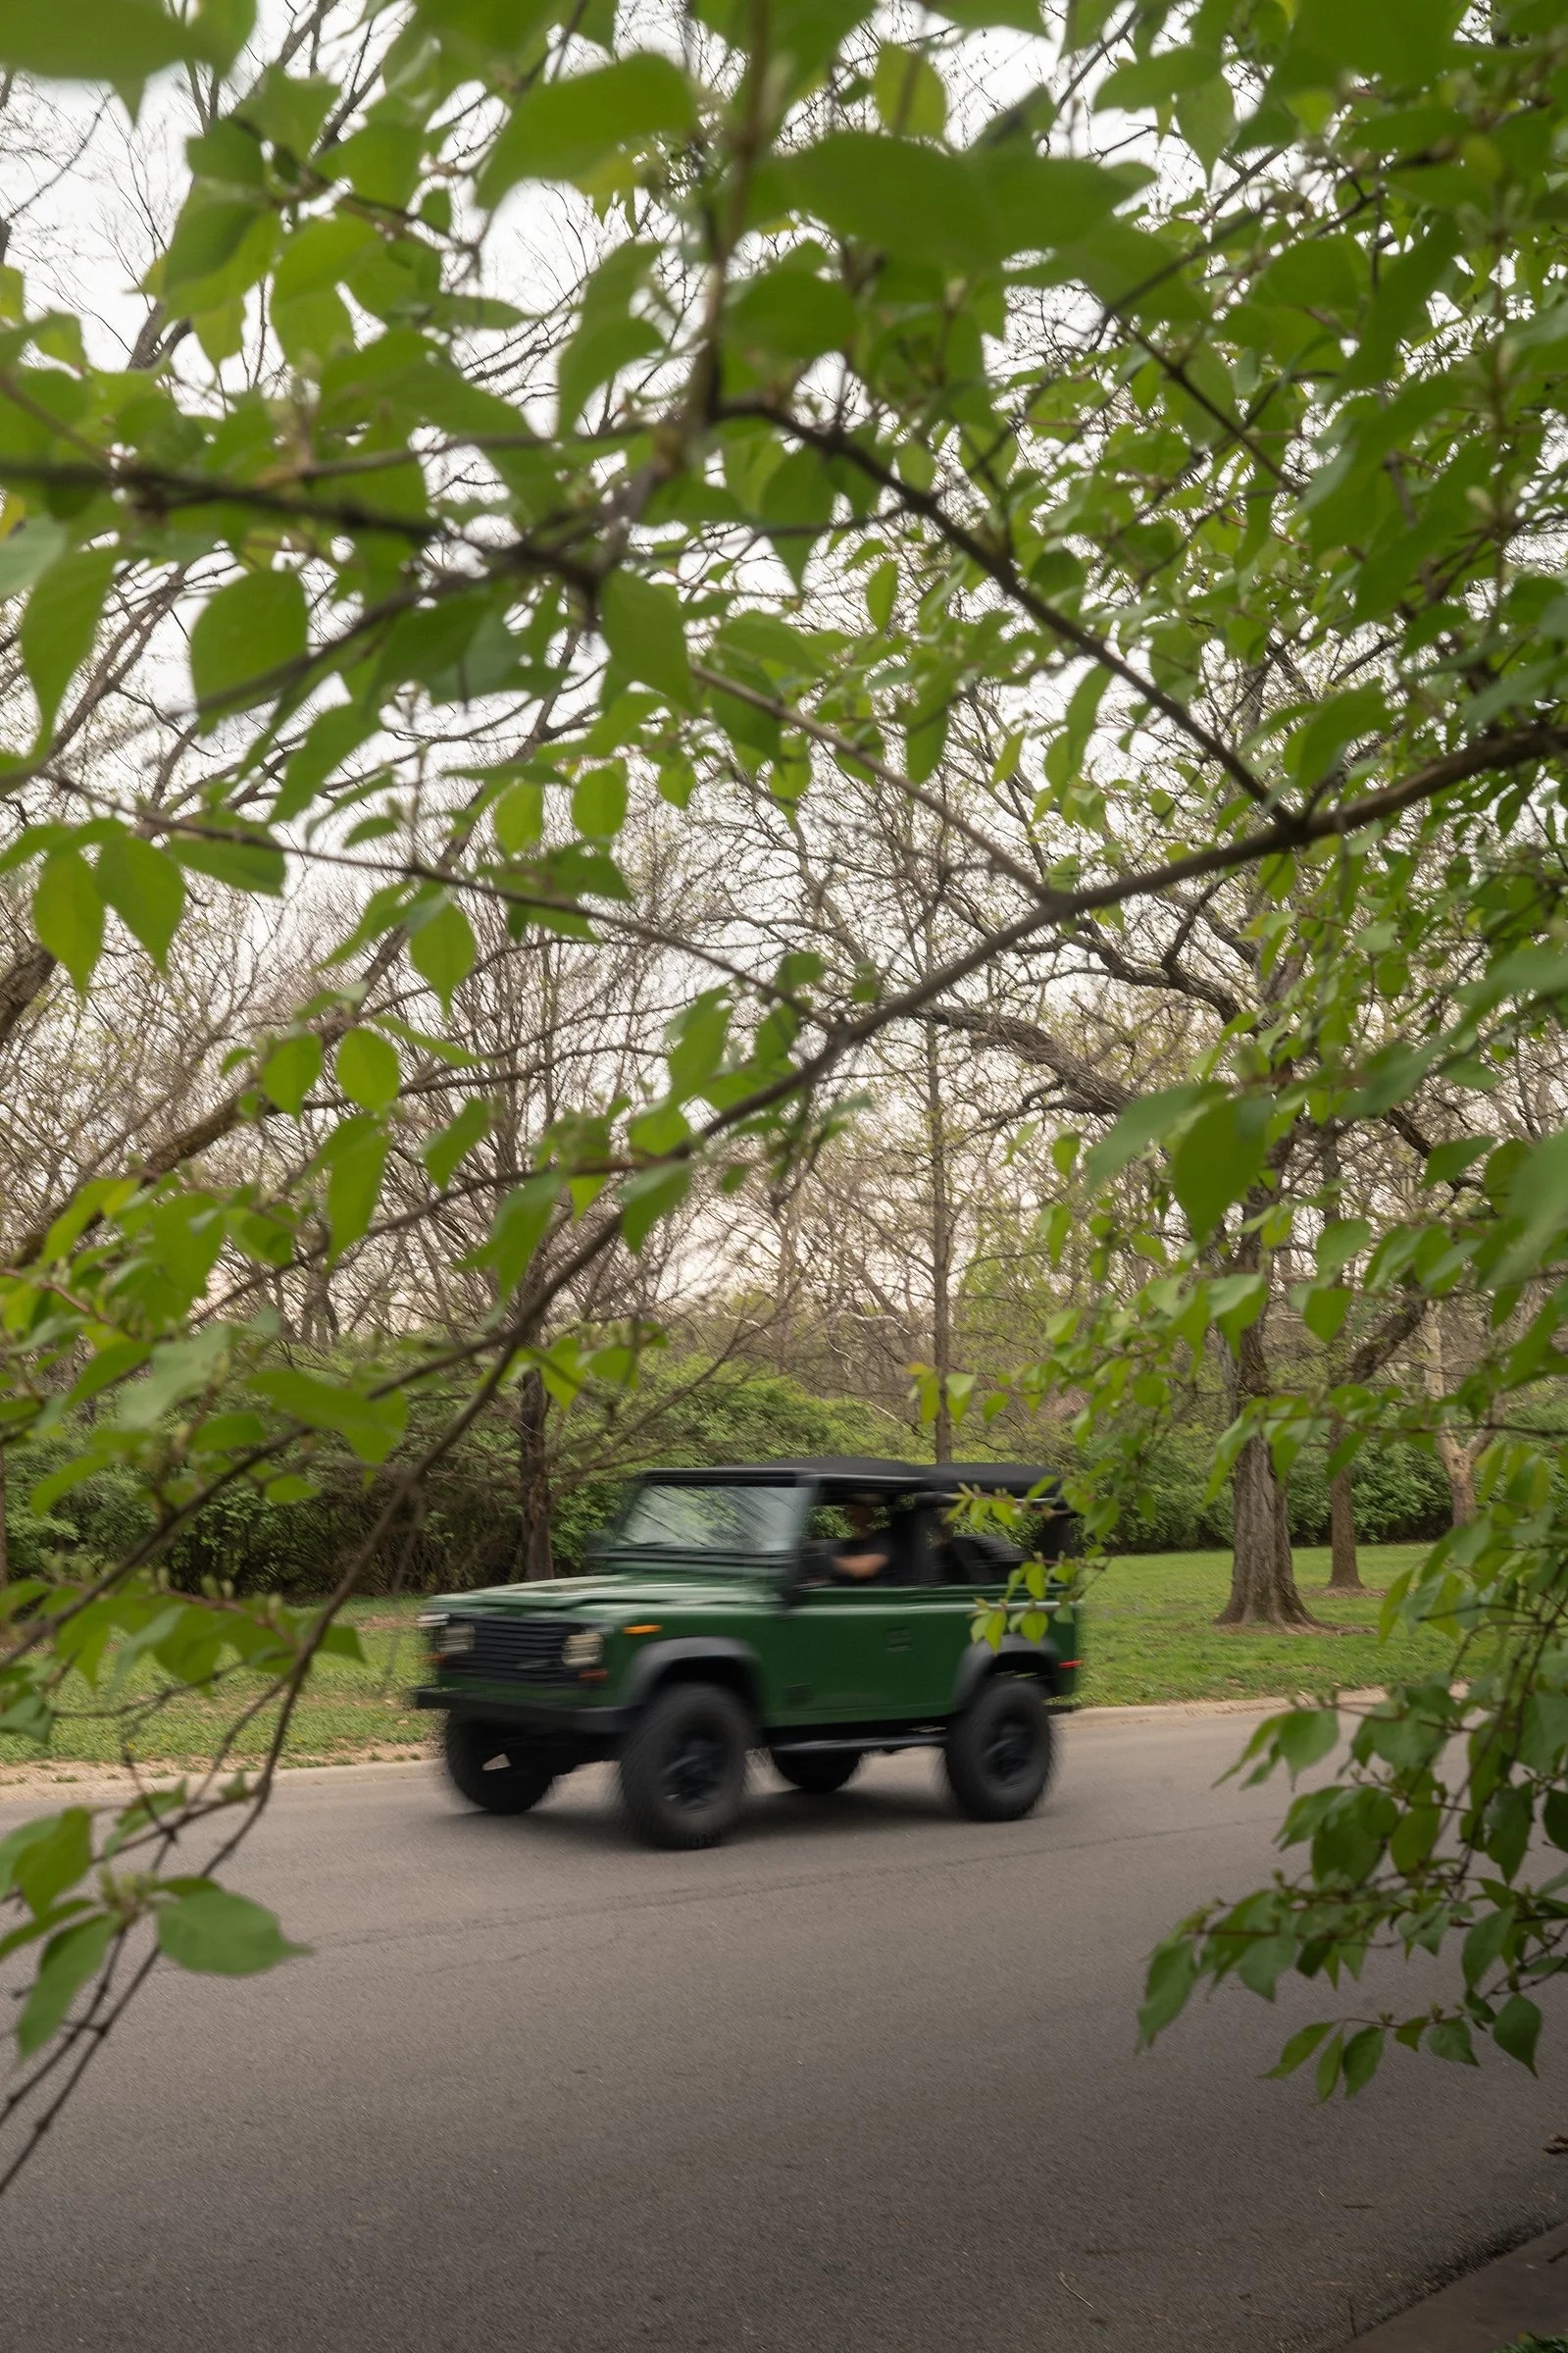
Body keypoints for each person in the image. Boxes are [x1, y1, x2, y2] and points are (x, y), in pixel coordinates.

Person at [833, 1498, 894, 1583]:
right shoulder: (849, 1543)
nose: (852, 1513)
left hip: (875, 1589)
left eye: (856, 1510)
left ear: (868, 1514)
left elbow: (866, 1567)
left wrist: (838, 1563)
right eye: (851, 1510)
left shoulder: (881, 1539)